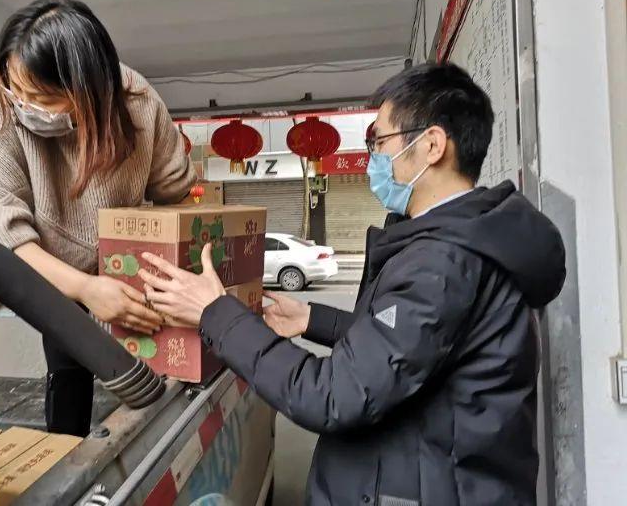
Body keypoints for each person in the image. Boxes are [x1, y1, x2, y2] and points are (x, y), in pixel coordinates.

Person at [137, 63, 566, 505]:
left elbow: (334, 395)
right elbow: (408, 351)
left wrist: (217, 313)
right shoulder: (458, 241)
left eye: (379, 141)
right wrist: (311, 319)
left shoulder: (443, 261)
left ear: (432, 145)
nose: (372, 156)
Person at [0, 0, 195, 436]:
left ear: (89, 91)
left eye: (40, 96)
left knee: (72, 357)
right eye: (16, 88)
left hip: (74, 243)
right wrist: (87, 288)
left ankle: (67, 454)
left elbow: (175, 187)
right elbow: (2, 235)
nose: (23, 103)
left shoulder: (136, 101)